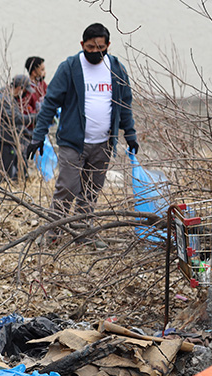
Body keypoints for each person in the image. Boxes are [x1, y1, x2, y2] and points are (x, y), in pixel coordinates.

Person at [24, 23, 138, 242]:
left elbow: (124, 104)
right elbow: (49, 104)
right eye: (90, 47)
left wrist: (130, 134)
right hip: (73, 142)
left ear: (108, 45)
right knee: (66, 187)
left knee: (91, 190)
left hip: (104, 143)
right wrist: (38, 136)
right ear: (82, 45)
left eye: (100, 47)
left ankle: (81, 232)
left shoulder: (116, 69)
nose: (95, 52)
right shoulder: (70, 67)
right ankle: (53, 233)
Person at [0, 74, 33, 182]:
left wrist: (28, 133)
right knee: (7, 177)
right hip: (3, 143)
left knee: (17, 175)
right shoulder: (4, 100)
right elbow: (15, 118)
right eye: (24, 91)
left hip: (9, 142)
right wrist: (35, 118)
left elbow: (16, 125)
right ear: (20, 88)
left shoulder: (10, 99)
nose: (23, 94)